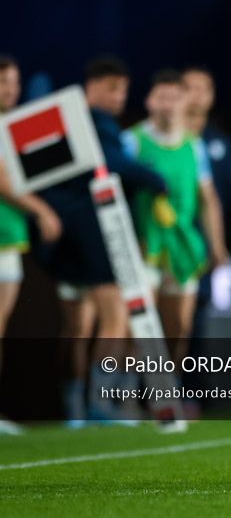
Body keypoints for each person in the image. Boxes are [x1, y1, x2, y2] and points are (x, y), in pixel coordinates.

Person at [33, 56, 171, 425]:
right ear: (89, 87)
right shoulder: (94, 123)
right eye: (112, 87)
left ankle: (75, 410)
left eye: (123, 89)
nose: (118, 96)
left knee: (79, 326)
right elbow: (113, 163)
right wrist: (157, 180)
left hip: (62, 237)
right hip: (92, 230)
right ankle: (101, 404)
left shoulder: (60, 125)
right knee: (116, 318)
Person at [122, 70, 227, 348]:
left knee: (178, 327)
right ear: (149, 101)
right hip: (143, 248)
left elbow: (208, 199)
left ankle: (169, 390)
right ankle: (129, 390)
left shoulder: (195, 146)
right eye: (161, 98)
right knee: (139, 328)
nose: (168, 105)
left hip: (181, 247)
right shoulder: (130, 142)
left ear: (184, 102)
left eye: (174, 98)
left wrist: (217, 245)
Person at [0, 55, 63, 434]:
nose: (11, 89)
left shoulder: (12, 126)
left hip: (10, 239)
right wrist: (43, 210)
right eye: (3, 82)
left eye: (14, 82)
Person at [180, 67, 231, 342]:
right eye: (191, 88)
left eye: (205, 89)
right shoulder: (166, 139)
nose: (198, 96)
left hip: (202, 246)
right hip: (168, 240)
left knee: (196, 321)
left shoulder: (219, 144)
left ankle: (192, 385)